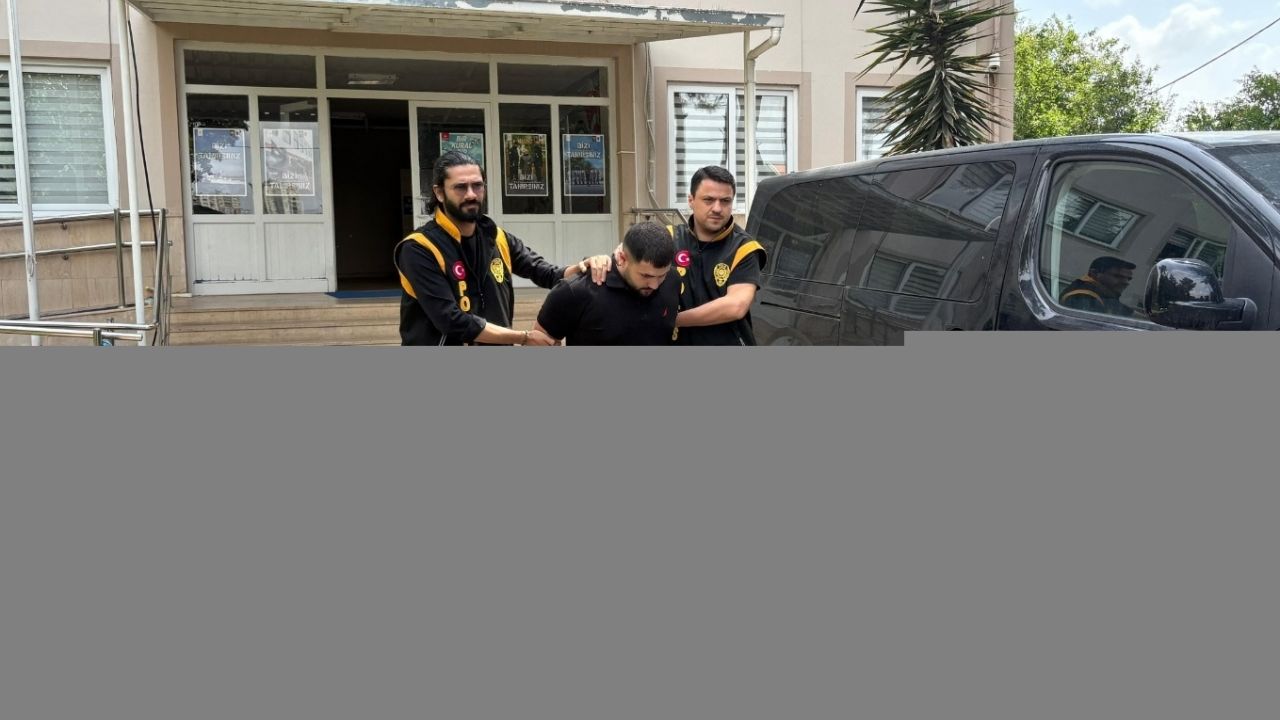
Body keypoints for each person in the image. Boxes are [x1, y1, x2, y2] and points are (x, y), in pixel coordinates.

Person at [394, 150, 610, 346]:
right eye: (460, 187)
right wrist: (523, 337)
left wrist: (584, 266)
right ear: (439, 193)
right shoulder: (419, 248)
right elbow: (451, 320)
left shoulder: (496, 237)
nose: (471, 194)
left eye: (477, 185)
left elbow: (547, 273)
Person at [534, 222, 680, 346]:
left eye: (662, 275)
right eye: (646, 275)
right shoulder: (576, 291)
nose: (654, 285)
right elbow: (539, 342)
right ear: (622, 258)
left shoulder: (673, 280)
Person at [668, 166, 768, 345]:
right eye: (708, 200)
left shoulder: (744, 248)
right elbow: (631, 257)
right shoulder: (669, 238)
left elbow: (736, 306)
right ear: (691, 200)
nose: (717, 208)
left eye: (725, 201)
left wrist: (673, 320)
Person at [1060, 256, 1139, 317]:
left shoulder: (1105, 295)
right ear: (1094, 273)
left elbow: (1127, 312)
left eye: (1129, 279)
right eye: (1117, 276)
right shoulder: (1083, 296)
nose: (1126, 282)